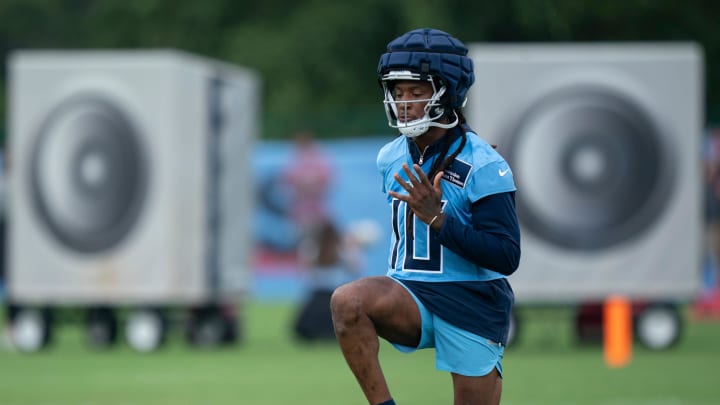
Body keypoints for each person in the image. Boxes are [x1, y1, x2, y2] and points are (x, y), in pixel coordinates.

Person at [330, 28, 521, 405]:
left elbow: (506, 255)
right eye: (398, 91)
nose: (404, 102)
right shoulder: (390, 156)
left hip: (471, 302)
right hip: (410, 293)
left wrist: (439, 220)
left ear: (447, 92)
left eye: (416, 91)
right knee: (347, 301)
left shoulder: (483, 164)